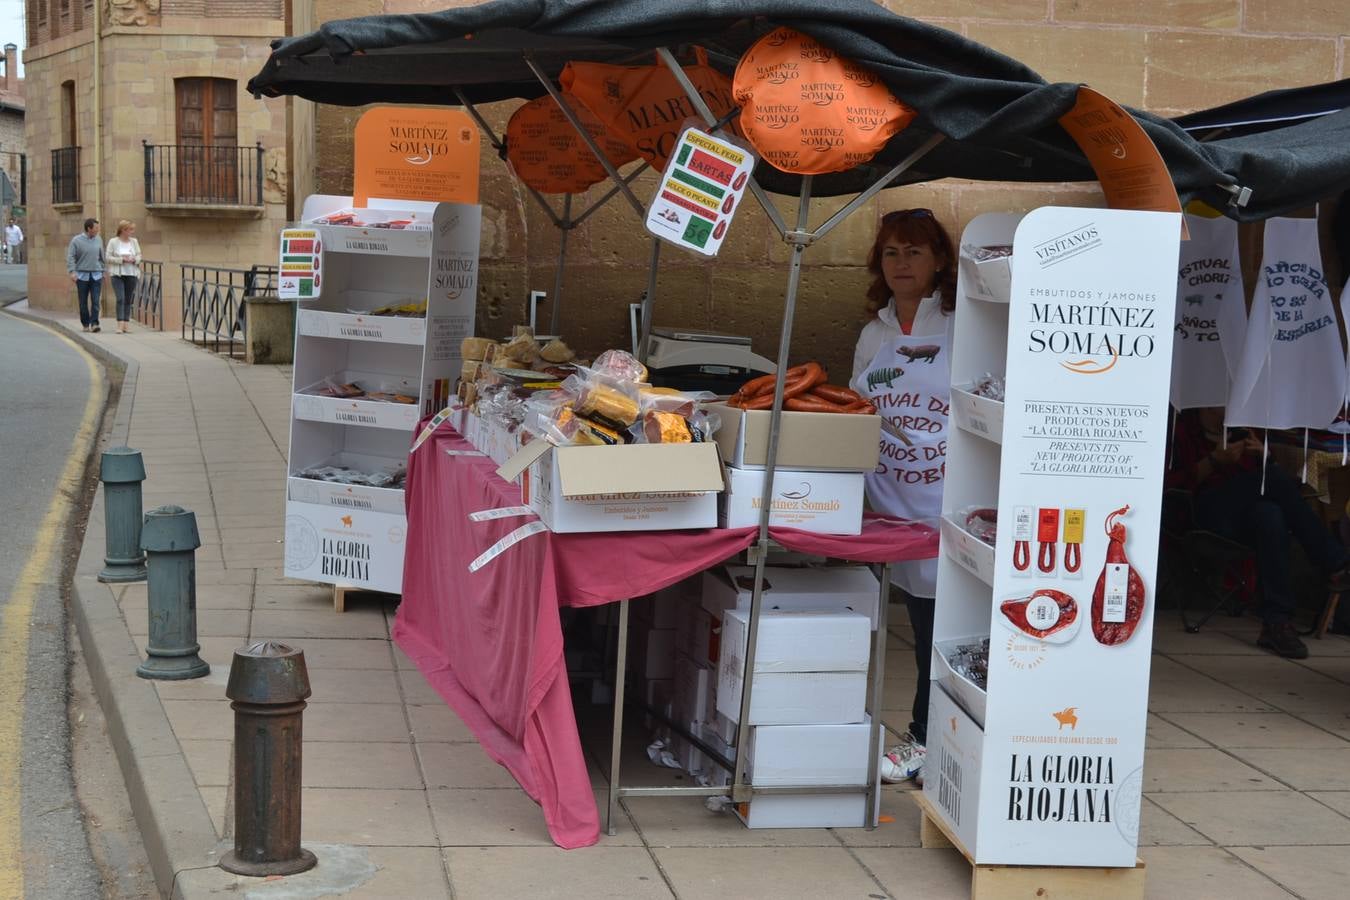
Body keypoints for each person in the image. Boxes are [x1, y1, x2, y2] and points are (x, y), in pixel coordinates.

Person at [851, 208, 958, 784]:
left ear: (939, 259)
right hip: (890, 496)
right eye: (891, 252)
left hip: (948, 498)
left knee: (941, 627)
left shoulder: (967, 323)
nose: (901, 264)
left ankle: (927, 736)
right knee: (915, 622)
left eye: (914, 252)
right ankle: (927, 737)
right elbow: (855, 406)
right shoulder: (876, 332)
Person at [1167, 407, 1350, 658]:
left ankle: (1276, 623)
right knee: (1271, 484)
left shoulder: (1241, 429)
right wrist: (1213, 462)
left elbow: (1273, 489)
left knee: (1270, 514)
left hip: (1245, 521)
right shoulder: (1183, 430)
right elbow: (1169, 485)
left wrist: (1266, 457)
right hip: (1201, 513)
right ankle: (1335, 561)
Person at [67, 217, 104, 333]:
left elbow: (102, 256)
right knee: (83, 302)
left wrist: (103, 270)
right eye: (96, 228)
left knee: (96, 301)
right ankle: (85, 324)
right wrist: (72, 271)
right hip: (82, 276)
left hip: (96, 275)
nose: (98, 230)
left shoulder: (99, 239)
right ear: (89, 229)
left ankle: (94, 323)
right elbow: (71, 256)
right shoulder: (76, 240)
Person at [106, 220, 142, 334]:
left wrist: (134, 259)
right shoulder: (113, 241)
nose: (132, 232)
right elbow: (107, 257)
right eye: (130, 229)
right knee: (120, 298)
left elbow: (139, 255)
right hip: (117, 274)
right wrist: (122, 260)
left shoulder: (134, 241)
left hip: (132, 273)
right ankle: (119, 325)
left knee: (128, 299)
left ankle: (126, 324)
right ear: (123, 230)